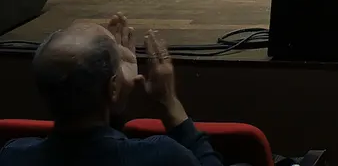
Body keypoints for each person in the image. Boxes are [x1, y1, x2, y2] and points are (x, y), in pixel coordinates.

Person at [0, 14, 221, 166]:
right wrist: (170, 104)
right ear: (113, 86)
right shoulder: (163, 156)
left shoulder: (12, 157)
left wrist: (113, 102)